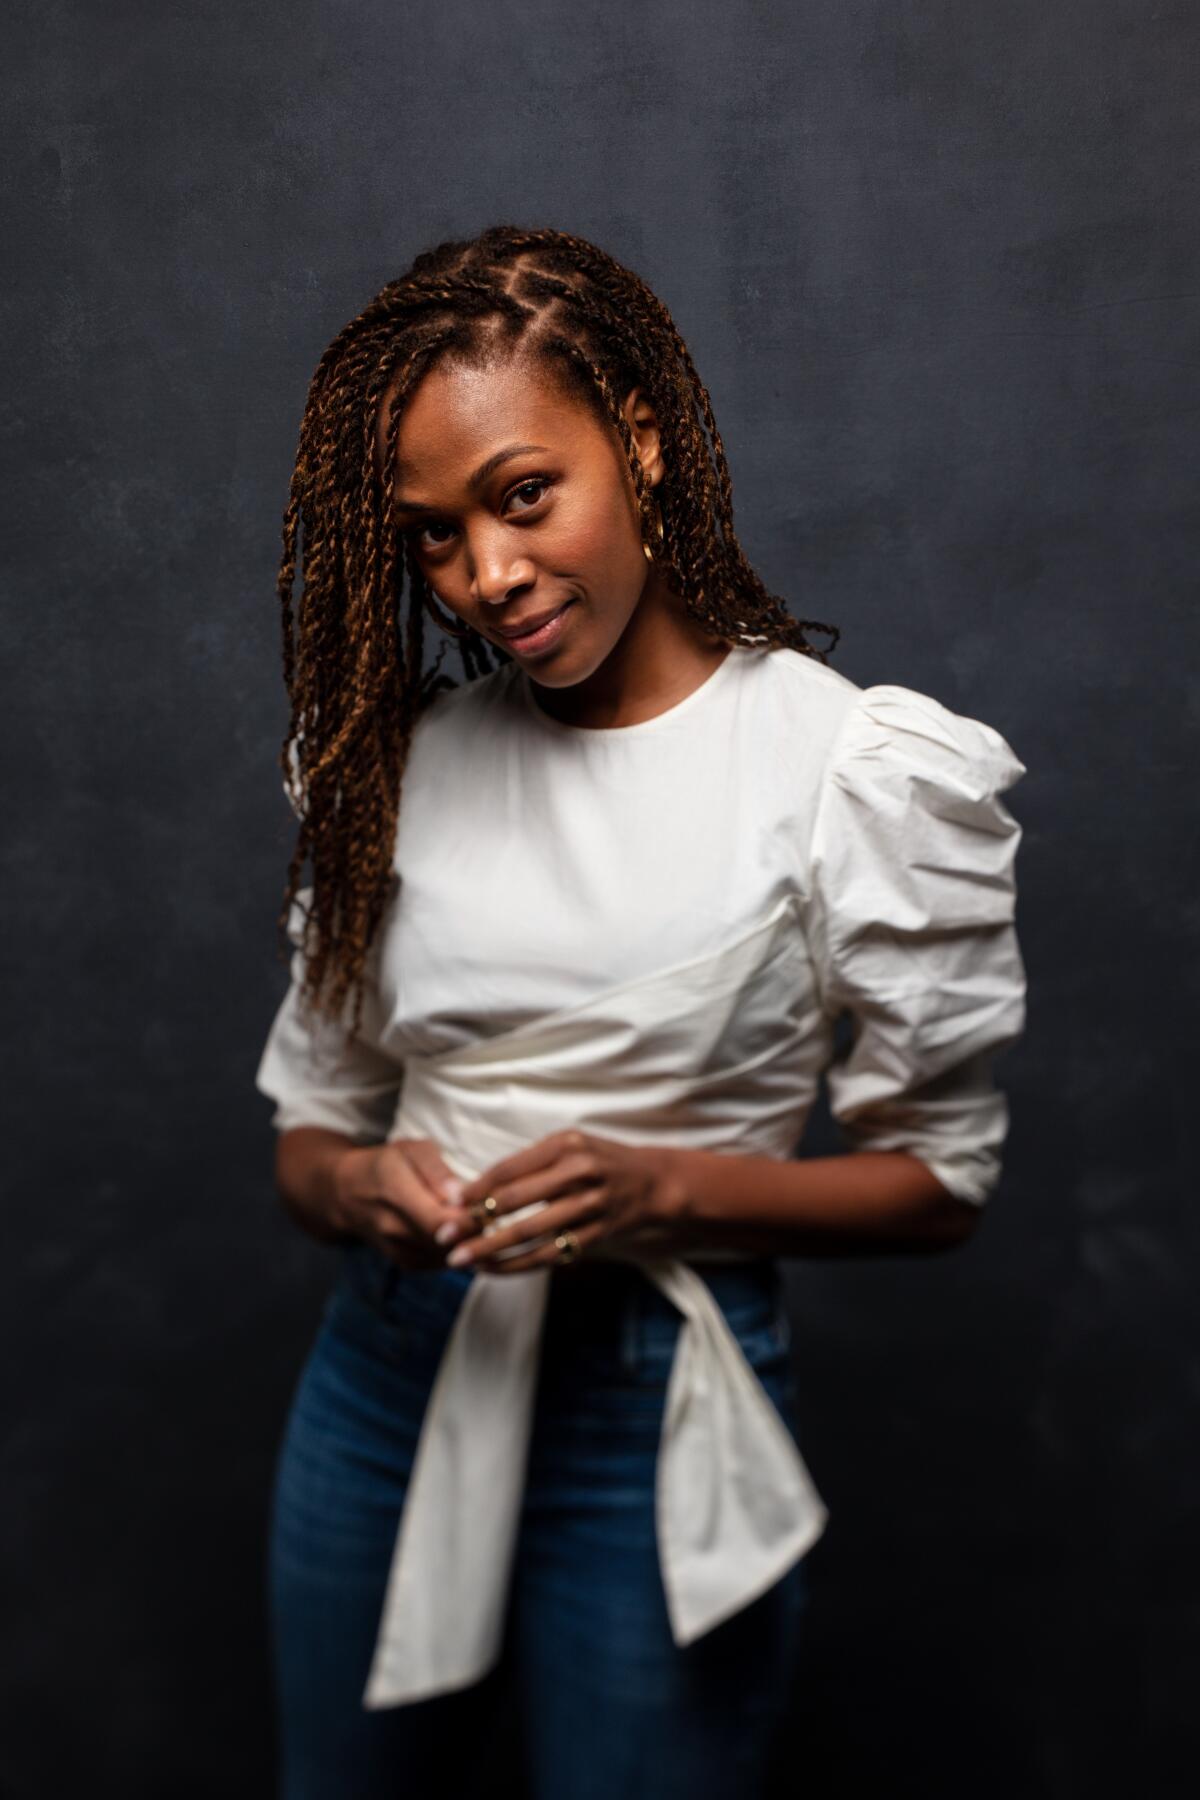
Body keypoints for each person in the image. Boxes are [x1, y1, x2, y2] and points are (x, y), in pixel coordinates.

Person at [253, 223, 1028, 1800]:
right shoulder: (390, 768)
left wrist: (664, 1190)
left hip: (655, 1406)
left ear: (645, 436)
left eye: (525, 493)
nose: (487, 577)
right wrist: (358, 1189)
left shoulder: (848, 771)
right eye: (432, 538)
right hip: (387, 1384)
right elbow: (312, 1136)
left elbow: (941, 1186)